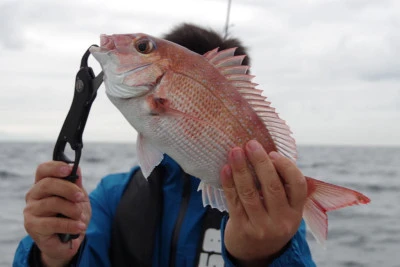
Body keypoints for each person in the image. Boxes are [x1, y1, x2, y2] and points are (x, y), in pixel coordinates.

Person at [13, 23, 316, 267]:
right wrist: (51, 257)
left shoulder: (274, 214)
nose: (128, 45)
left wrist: (262, 256)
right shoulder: (111, 198)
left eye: (142, 47)